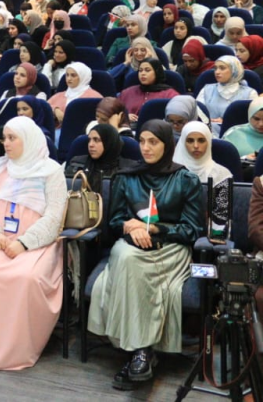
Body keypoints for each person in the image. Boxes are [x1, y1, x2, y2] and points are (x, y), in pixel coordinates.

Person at [88, 120, 202, 391]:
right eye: (142, 141)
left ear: (167, 145)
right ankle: (142, 351)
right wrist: (131, 226)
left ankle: (138, 353)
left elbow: (193, 230)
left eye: (153, 142)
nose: (146, 148)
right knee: (128, 259)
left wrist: (154, 228)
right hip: (130, 245)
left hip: (171, 248)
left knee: (131, 265)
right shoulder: (127, 177)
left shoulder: (186, 179)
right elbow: (114, 221)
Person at [0, 116, 67, 370]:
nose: (5, 143)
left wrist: (24, 243)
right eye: (4, 138)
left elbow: (54, 216)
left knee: (27, 277)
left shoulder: (51, 171)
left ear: (28, 140)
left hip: (36, 243)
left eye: (12, 138)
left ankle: (19, 348)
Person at [196, 55, 258, 133]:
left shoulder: (250, 93)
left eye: (222, 68)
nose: (217, 72)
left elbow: (254, 120)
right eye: (215, 68)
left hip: (238, 134)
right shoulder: (206, 90)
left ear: (234, 70)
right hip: (209, 132)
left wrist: (227, 121)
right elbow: (198, 115)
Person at [48, 62, 103, 129]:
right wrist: (55, 110)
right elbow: (45, 107)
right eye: (67, 75)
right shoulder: (59, 95)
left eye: (73, 75)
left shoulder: (94, 97)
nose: (69, 78)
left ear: (82, 77)